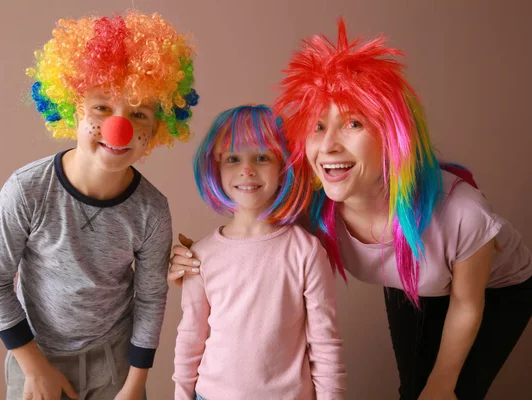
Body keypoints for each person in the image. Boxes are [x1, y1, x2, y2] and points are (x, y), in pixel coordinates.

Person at [169, 19, 531, 400]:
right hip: (414, 280)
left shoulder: (463, 214)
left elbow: (466, 304)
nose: (329, 146)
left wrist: (442, 383)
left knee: (449, 391)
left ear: (392, 136)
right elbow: (249, 245)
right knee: (412, 388)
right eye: (319, 126)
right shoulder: (312, 208)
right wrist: (190, 261)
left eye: (353, 124)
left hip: (492, 291)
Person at [0, 11, 199, 400]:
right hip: (34, 357)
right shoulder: (27, 189)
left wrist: (135, 385)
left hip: (115, 363)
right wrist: (34, 367)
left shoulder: (152, 209)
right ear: (73, 109)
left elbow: (150, 298)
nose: (119, 126)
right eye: (101, 108)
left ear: (156, 131)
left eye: (138, 114)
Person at [172, 105, 346, 400]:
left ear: (283, 168)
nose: (247, 169)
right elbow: (191, 337)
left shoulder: (305, 251)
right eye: (233, 158)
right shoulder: (200, 255)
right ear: (216, 168)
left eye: (262, 157)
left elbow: (324, 341)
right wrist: (181, 394)